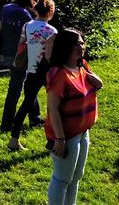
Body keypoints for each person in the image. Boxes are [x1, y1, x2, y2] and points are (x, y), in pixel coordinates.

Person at [45, 29, 103, 205]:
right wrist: (60, 139)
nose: (81, 46)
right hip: (66, 136)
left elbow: (97, 84)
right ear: (65, 47)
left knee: (76, 177)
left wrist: (96, 80)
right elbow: (52, 109)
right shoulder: (59, 74)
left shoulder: (82, 66)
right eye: (76, 44)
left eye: (82, 43)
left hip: (83, 131)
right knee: (62, 179)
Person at [8, 0, 58, 151]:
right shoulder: (51, 31)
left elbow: (21, 45)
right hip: (47, 72)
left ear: (36, 9)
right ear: (51, 12)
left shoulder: (27, 26)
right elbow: (49, 56)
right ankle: (53, 139)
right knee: (54, 106)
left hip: (31, 70)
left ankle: (14, 140)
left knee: (26, 104)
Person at [0, 0, 40, 132]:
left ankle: (35, 117)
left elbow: (0, 28)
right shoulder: (24, 15)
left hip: (8, 50)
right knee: (17, 89)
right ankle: (7, 123)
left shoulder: (6, 8)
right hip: (21, 54)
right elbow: (32, 34)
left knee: (29, 83)